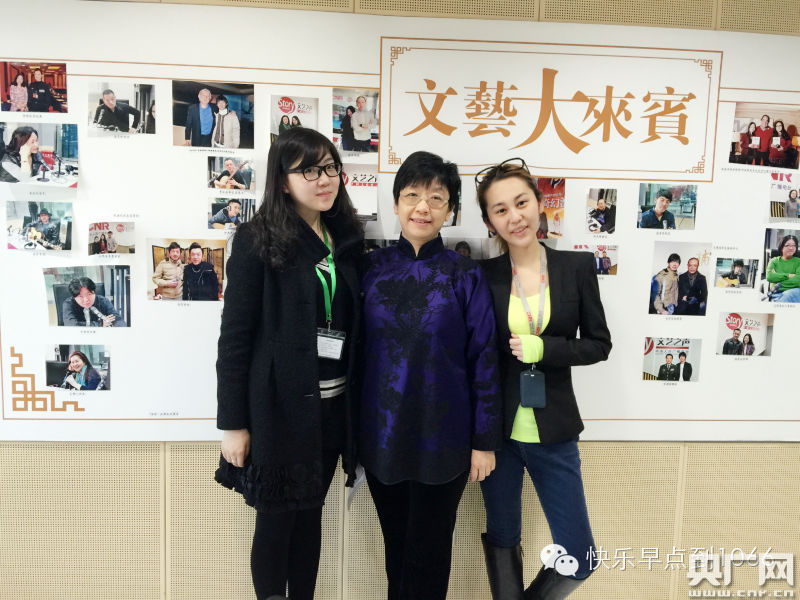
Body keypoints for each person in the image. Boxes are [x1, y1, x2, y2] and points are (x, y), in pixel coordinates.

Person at [215, 127, 363, 600]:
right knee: (276, 523)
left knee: (311, 518)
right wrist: (233, 424)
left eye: (331, 168)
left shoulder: (344, 237)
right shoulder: (257, 239)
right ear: (282, 179)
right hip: (279, 410)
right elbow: (235, 340)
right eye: (310, 171)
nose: (325, 179)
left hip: (333, 409)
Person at [361, 151, 501, 600]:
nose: (423, 207)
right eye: (412, 196)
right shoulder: (370, 269)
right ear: (396, 203)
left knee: (431, 552)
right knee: (396, 550)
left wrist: (484, 441)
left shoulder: (466, 275)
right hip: (382, 436)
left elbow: (484, 358)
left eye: (436, 198)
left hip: (445, 439)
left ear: (450, 210)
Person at [474, 157, 611, 599]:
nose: (514, 217)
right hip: (498, 434)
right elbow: (476, 356)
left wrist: (546, 349)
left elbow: (599, 344)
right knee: (503, 537)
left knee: (581, 557)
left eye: (521, 203)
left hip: (553, 431)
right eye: (500, 210)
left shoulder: (576, 267)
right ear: (489, 221)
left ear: (538, 204)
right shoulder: (484, 276)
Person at [62, 277, 126, 327]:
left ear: (94, 292)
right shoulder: (68, 304)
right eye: (81, 296)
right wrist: (100, 324)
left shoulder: (103, 301)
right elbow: (71, 325)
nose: (86, 300)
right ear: (74, 297)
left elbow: (118, 320)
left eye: (89, 294)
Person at [766, 234, 800, 303]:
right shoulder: (774, 261)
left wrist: (778, 284)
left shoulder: (798, 262)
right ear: (781, 247)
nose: (791, 248)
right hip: (777, 294)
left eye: (794, 245)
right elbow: (770, 277)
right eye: (787, 245)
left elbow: (798, 280)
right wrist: (789, 275)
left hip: (795, 291)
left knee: (788, 295)